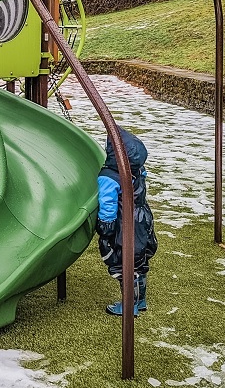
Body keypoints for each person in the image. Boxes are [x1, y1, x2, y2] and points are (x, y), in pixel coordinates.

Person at [96, 126, 158, 316]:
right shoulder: (137, 169)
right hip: (142, 219)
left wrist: (106, 227)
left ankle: (129, 306)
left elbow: (108, 204)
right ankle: (140, 301)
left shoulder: (109, 177)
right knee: (139, 260)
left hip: (125, 224)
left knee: (125, 263)